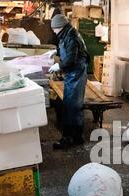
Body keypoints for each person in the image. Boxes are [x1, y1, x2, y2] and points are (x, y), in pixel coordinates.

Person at [49, 14, 90, 150]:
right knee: (74, 106)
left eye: (54, 29)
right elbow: (68, 49)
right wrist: (57, 51)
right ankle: (77, 137)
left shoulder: (71, 35)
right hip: (74, 72)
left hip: (75, 73)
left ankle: (68, 138)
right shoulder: (67, 33)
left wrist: (59, 66)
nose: (54, 31)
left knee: (70, 105)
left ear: (59, 26)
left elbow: (71, 57)